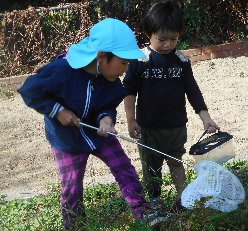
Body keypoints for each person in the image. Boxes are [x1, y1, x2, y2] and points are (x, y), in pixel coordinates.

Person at [17, 18, 165, 229]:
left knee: (124, 168)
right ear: (101, 56)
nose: (125, 70)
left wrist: (106, 118)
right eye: (123, 63)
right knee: (72, 186)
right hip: (66, 140)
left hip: (98, 134)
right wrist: (57, 111)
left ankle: (143, 212)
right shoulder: (62, 71)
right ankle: (75, 224)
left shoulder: (111, 80)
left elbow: (108, 104)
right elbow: (29, 91)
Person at [123, 1, 220, 212]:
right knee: (152, 168)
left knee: (176, 161)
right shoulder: (140, 61)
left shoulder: (181, 61)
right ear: (149, 34)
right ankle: (155, 201)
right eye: (162, 39)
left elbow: (192, 90)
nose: (168, 44)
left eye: (173, 39)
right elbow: (129, 91)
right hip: (148, 128)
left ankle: (184, 197)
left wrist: (205, 116)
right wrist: (131, 120)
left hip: (176, 126)